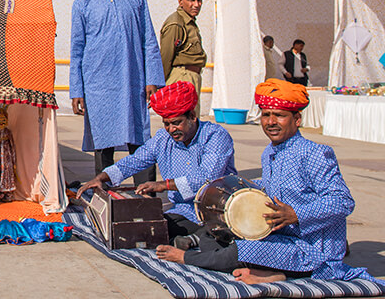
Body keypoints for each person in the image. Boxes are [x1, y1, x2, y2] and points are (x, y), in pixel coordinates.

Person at [156, 79, 377, 284]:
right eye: (265, 115)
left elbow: (343, 201)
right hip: (279, 236)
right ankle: (274, 271)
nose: (271, 122)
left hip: (310, 248)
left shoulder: (315, 153)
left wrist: (296, 214)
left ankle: (187, 258)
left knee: (239, 252)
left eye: (279, 115)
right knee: (212, 235)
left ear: (297, 119)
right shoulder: (269, 153)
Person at [76, 81, 236, 240]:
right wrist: (101, 178)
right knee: (136, 226)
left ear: (192, 117)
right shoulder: (163, 138)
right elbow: (135, 160)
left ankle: (198, 240)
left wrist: (163, 185)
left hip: (216, 211)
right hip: (182, 211)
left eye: (176, 123)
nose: (171, 129)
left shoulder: (215, 136)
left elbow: (206, 178)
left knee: (153, 232)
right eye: (166, 124)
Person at [71, 0, 165, 184]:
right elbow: (77, 50)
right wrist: (77, 90)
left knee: (139, 139)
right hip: (97, 87)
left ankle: (145, 192)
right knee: (103, 144)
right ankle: (104, 194)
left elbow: (149, 40)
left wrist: (152, 79)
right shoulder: (83, 3)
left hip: (133, 81)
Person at [160, 0, 207, 116]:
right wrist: (161, 85)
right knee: (183, 120)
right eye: (192, 0)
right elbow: (166, 56)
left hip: (191, 77)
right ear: (180, 1)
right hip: (181, 77)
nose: (196, 5)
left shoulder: (189, 22)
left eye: (199, 1)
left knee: (191, 119)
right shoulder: (176, 23)